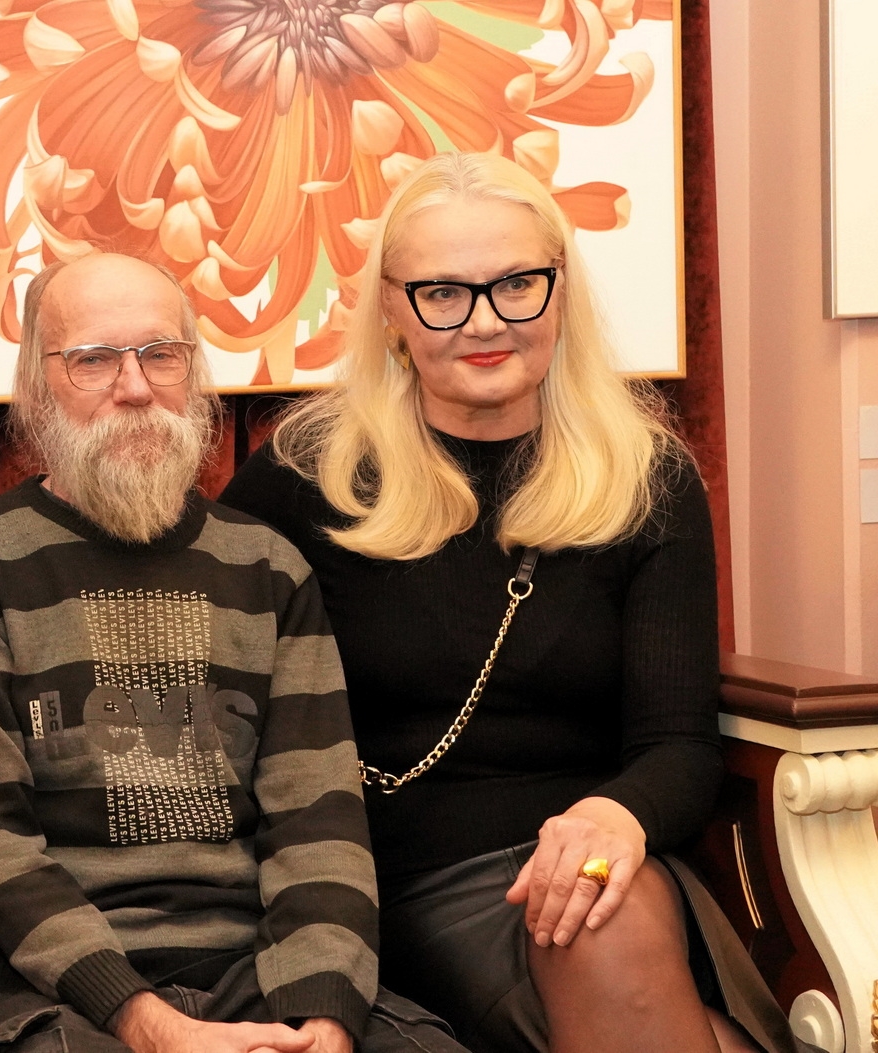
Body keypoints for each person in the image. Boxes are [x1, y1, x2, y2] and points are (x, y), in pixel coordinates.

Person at [220, 152, 807, 1053]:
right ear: (391, 310)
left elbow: (679, 744)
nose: (486, 320)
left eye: (517, 284)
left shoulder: (647, 477)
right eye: (443, 293)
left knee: (593, 909)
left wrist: (615, 817)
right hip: (409, 877)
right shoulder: (307, 477)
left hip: (606, 856)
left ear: (560, 289)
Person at [0, 251, 467, 1053]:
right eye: (93, 359)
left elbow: (321, 826)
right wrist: (153, 1025)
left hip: (256, 968)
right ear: (35, 385)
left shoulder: (268, 567)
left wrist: (324, 1016)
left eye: (161, 355)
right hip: (53, 991)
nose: (135, 387)